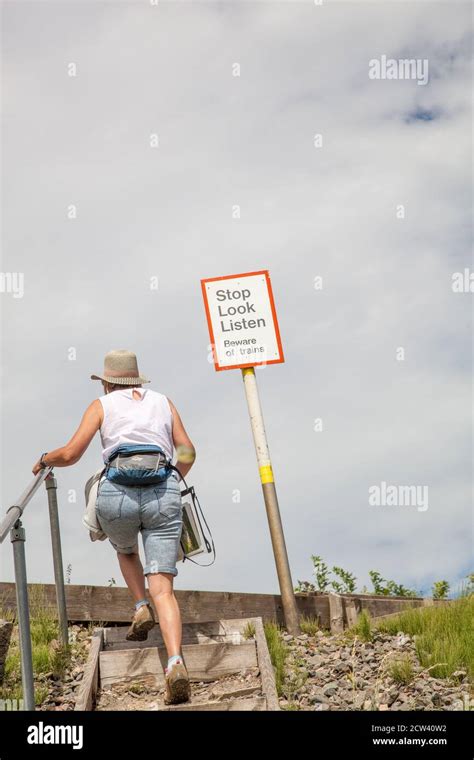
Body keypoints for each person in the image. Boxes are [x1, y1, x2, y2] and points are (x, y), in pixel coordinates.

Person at [32, 349, 196, 705]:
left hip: (117, 495)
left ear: (107, 382)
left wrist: (45, 459)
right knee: (164, 590)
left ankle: (139, 605)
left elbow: (72, 453)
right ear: (137, 379)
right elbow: (187, 451)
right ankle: (176, 663)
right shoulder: (163, 402)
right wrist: (171, 479)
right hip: (163, 493)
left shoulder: (101, 406)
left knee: (125, 550)